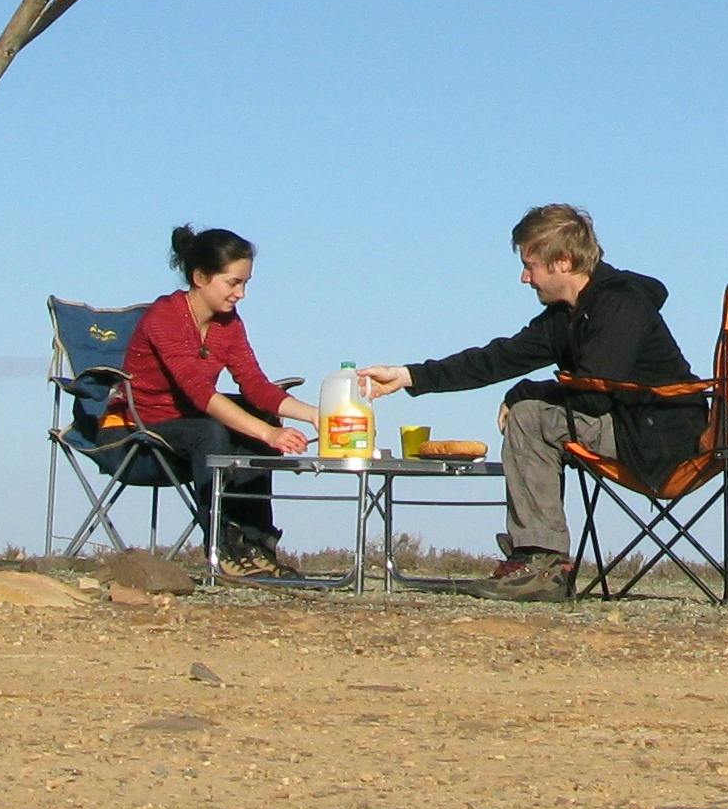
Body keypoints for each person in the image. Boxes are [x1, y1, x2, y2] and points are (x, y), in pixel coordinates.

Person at [361, 205, 693, 599]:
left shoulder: (622, 303)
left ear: (563, 261)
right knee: (531, 412)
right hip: (628, 427)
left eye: (529, 266)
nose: (524, 278)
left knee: (530, 416)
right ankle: (536, 556)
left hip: (663, 440)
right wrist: (409, 376)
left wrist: (525, 392)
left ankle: (542, 563)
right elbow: (498, 358)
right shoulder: (565, 317)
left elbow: (592, 393)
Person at [124, 224, 312, 576]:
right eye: (233, 283)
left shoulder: (229, 324)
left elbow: (255, 384)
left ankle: (257, 544)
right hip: (148, 426)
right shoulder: (164, 318)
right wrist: (269, 434)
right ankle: (222, 545)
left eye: (245, 283)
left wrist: (316, 415)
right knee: (214, 431)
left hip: (196, 420)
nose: (241, 294)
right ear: (200, 277)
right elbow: (201, 393)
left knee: (258, 419)